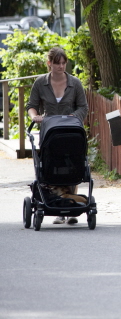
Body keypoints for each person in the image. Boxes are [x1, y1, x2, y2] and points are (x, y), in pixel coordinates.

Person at [26, 46, 89, 225]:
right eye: (57, 63)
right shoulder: (40, 83)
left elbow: (83, 107)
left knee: (72, 162)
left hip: (70, 131)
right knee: (52, 162)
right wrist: (35, 117)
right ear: (49, 64)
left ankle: (71, 204)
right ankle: (58, 205)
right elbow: (32, 105)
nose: (61, 67)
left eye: (63, 63)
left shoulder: (75, 83)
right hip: (50, 131)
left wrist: (74, 117)